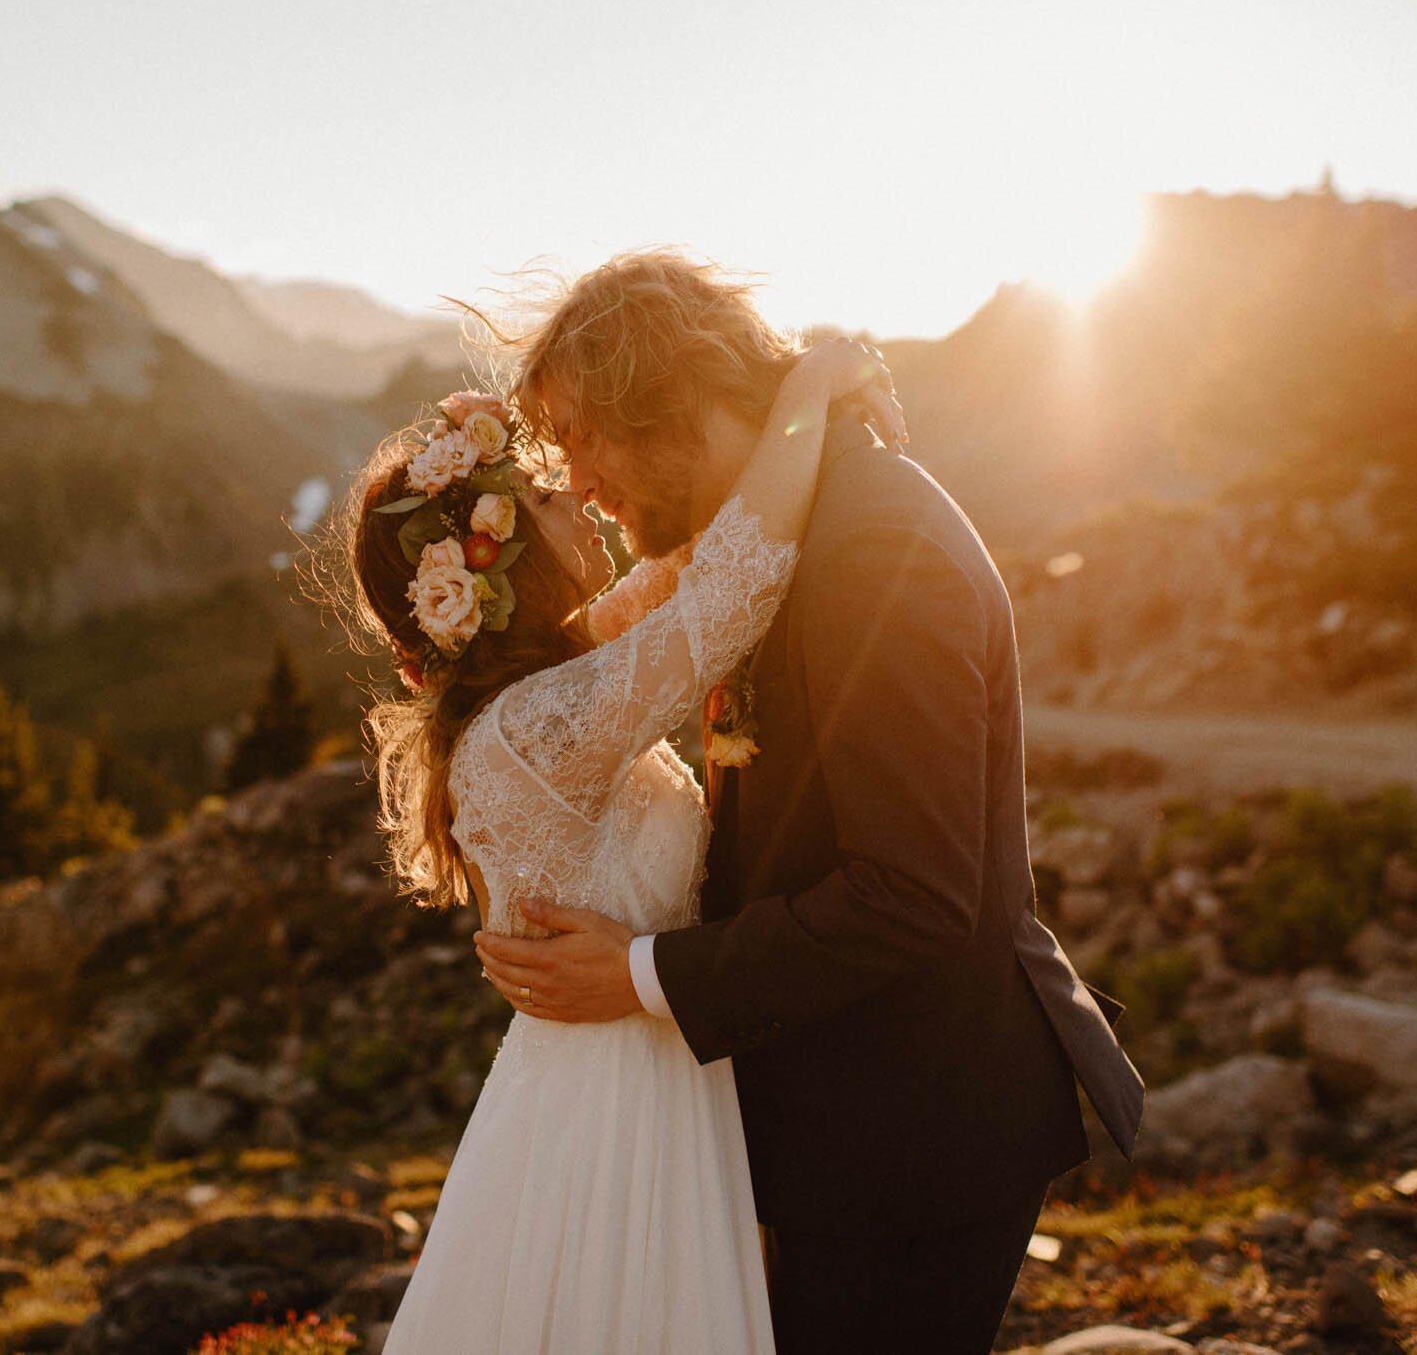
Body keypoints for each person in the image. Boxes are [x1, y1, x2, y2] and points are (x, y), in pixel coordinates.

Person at [472, 250, 1145, 1354]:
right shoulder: (788, 525)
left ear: (677, 398)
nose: (580, 487)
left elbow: (911, 890)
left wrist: (638, 973)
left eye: (587, 441)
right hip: (833, 1115)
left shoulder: (874, 549)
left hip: (910, 1138)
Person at [329, 330, 899, 1353]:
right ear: (492, 563)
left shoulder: (533, 694)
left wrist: (766, 428)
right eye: (548, 502)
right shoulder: (534, 727)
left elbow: (676, 572)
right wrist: (809, 389)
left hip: (629, 1078)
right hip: (614, 1120)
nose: (580, 501)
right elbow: (727, 590)